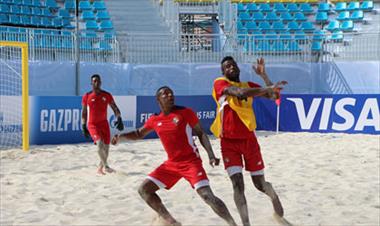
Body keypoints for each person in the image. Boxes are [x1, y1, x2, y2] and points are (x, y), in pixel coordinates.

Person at [111, 86, 237, 226]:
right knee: (144, 190)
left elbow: (201, 133)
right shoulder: (155, 119)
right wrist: (120, 137)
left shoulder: (185, 112)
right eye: (165, 94)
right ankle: (171, 222)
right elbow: (139, 134)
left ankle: (232, 223)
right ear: (158, 99)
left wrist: (211, 155)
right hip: (171, 164)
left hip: (191, 162)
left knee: (207, 196)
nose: (170, 95)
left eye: (171, 93)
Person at [210, 56, 288, 226]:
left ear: (238, 68)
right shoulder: (220, 84)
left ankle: (272, 193)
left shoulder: (249, 85)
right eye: (227, 67)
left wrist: (264, 76)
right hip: (228, 142)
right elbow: (239, 93)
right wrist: (267, 88)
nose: (230, 67)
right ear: (223, 72)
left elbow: (274, 95)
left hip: (249, 140)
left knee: (259, 185)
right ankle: (246, 224)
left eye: (233, 65)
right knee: (238, 185)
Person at [82, 74, 124, 175]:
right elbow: (84, 112)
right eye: (94, 81)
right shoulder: (87, 96)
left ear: (101, 82)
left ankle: (100, 168)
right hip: (92, 124)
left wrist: (119, 118)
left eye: (98, 81)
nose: (96, 83)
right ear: (91, 83)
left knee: (106, 147)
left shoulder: (107, 95)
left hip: (104, 124)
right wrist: (84, 125)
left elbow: (115, 108)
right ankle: (106, 166)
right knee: (99, 144)